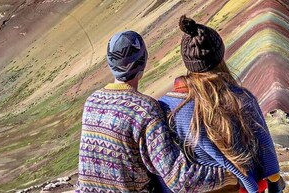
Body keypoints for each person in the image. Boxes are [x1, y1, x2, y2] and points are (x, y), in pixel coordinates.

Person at [77, 30, 237, 193]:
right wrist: (230, 174)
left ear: (110, 64)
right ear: (143, 61)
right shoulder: (144, 110)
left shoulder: (92, 101)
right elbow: (179, 179)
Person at [158, 16, 284, 193]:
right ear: (220, 56)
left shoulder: (165, 106)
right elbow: (267, 156)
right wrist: (275, 183)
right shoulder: (240, 98)